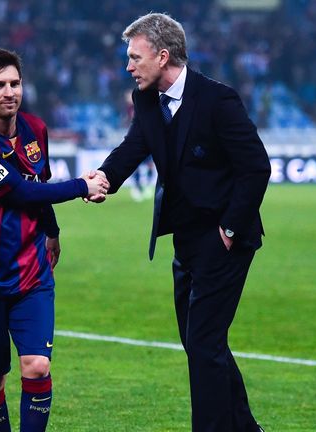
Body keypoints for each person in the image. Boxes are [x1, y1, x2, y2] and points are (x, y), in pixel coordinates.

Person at [88, 13, 271, 432]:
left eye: (135, 57)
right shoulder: (147, 100)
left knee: (204, 343)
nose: (128, 66)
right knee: (201, 344)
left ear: (163, 56)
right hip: (185, 242)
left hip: (224, 241)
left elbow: (256, 167)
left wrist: (228, 230)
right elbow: (134, 146)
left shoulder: (217, 100)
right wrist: (102, 178)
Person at [0, 48, 108, 432]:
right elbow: (19, 192)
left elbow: (38, 183)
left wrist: (52, 232)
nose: (10, 92)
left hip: (32, 272)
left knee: (37, 365)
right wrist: (81, 187)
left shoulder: (36, 130)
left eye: (15, 83)